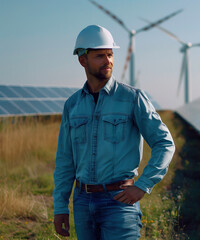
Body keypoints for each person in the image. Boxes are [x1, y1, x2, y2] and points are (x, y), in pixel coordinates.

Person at [53, 25, 175, 240]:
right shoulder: (72, 105)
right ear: (82, 60)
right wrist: (60, 206)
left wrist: (143, 185)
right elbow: (65, 160)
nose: (108, 61)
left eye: (110, 55)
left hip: (119, 202)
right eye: (100, 56)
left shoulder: (133, 98)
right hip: (82, 201)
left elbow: (164, 143)